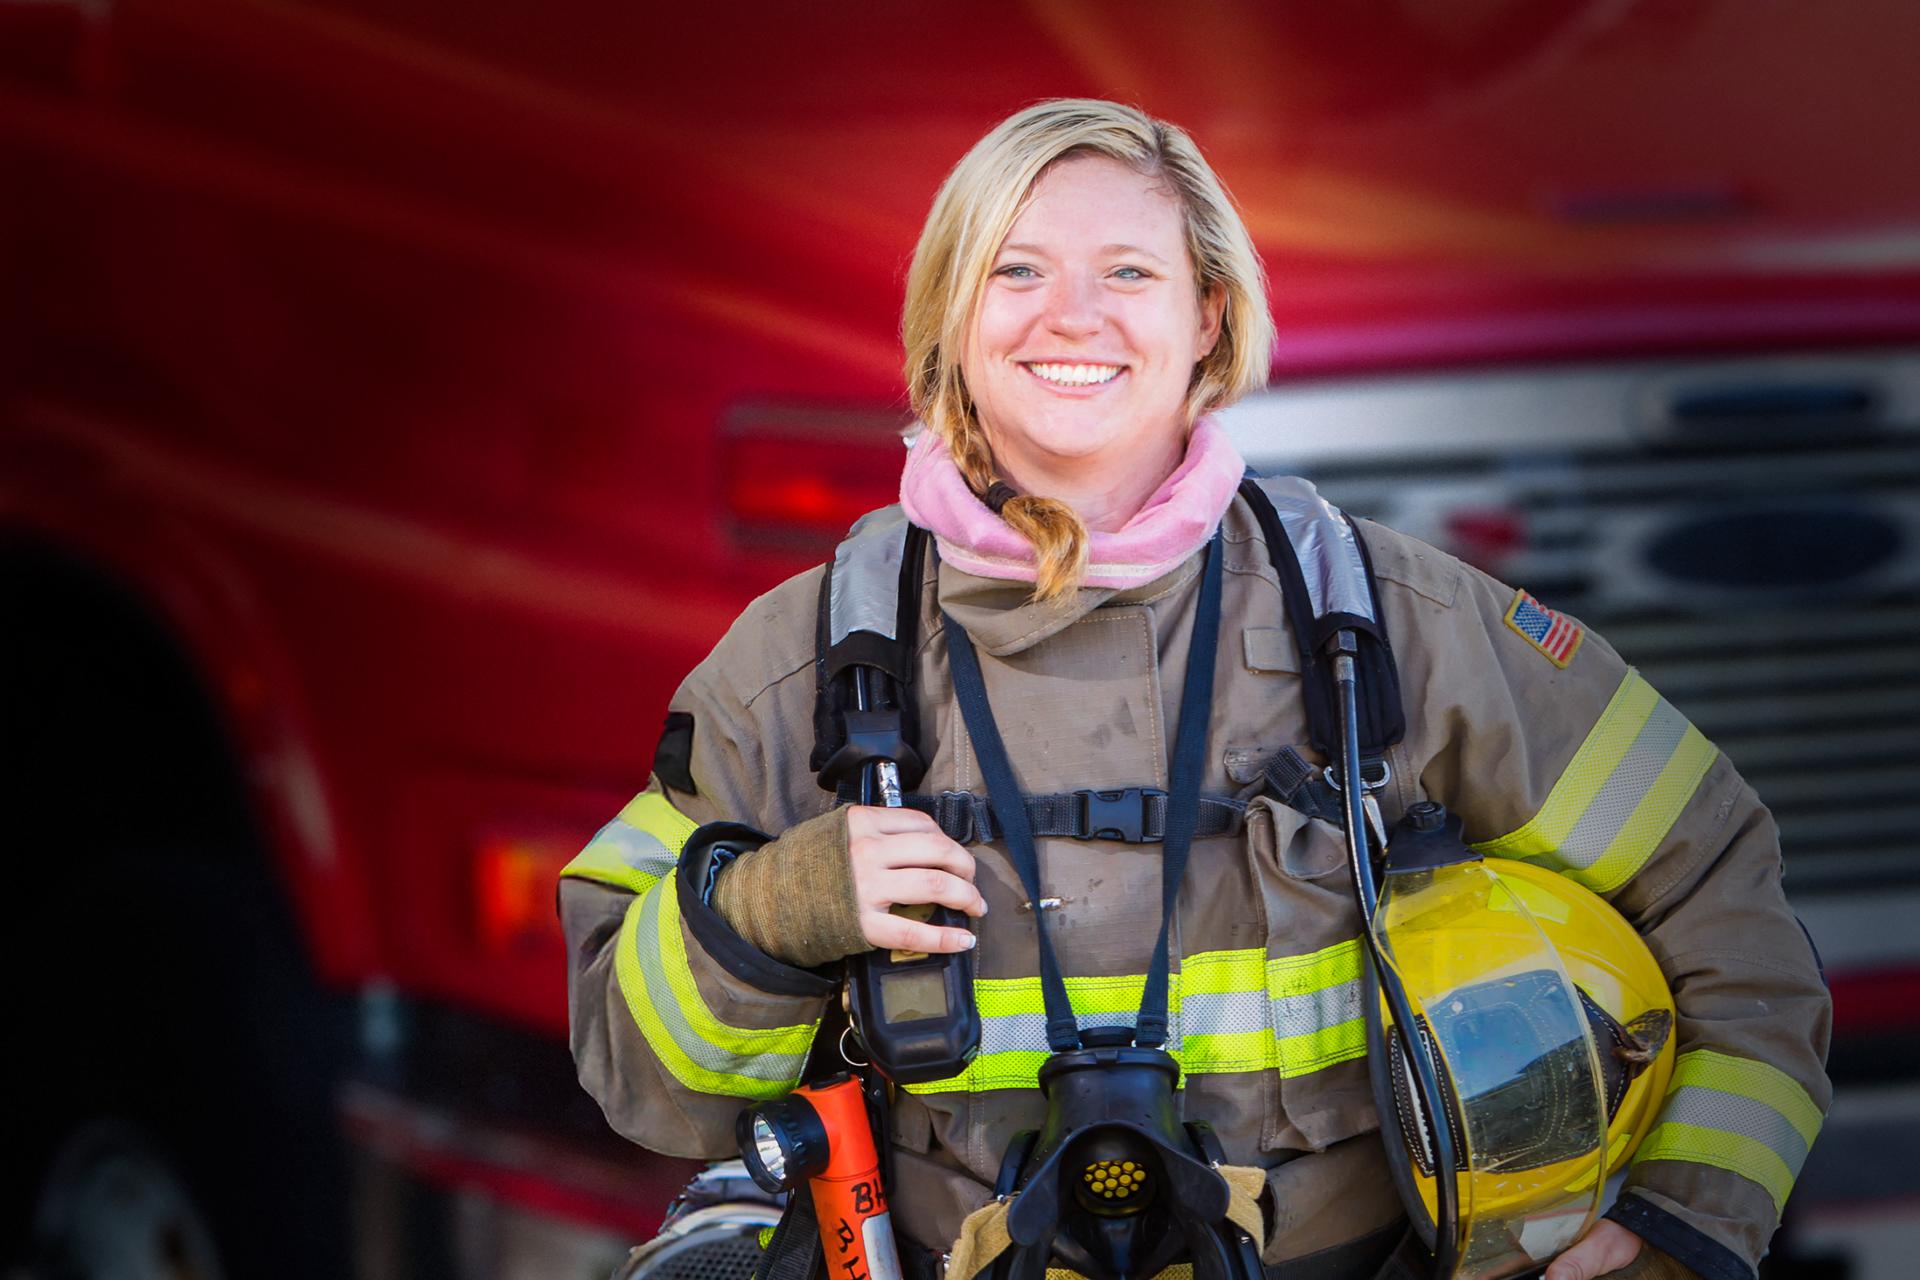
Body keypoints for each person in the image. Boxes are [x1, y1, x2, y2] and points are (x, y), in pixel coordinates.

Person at [559, 99, 1830, 1280]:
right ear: (951, 313)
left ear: (1208, 314)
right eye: (1017, 269)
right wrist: (765, 913)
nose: (1073, 316)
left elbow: (1721, 895)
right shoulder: (806, 664)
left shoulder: (1389, 625)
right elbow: (634, 1076)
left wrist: (1684, 1215)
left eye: (1129, 272)